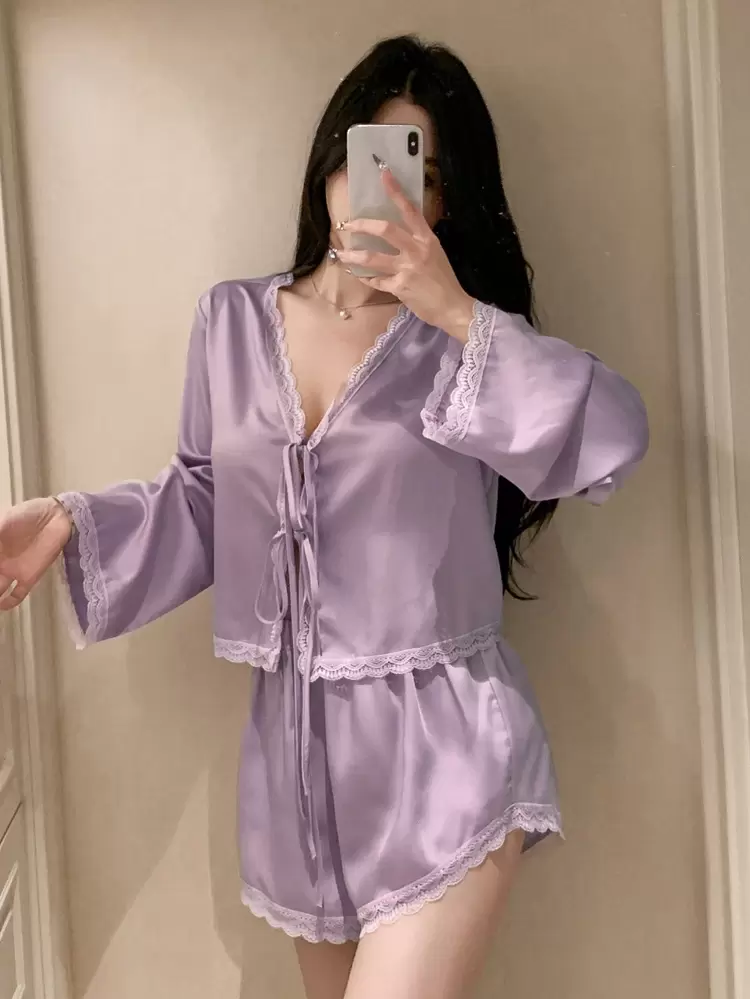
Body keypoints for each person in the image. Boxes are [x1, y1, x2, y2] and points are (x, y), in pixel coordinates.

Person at [0, 34, 648, 999]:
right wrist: (66, 521)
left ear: (444, 202)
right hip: (295, 767)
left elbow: (614, 435)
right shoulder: (231, 321)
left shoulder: (457, 343)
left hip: (446, 749)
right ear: (328, 163)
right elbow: (208, 498)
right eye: (364, 155)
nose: (381, 189)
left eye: (420, 172)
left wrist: (456, 309)